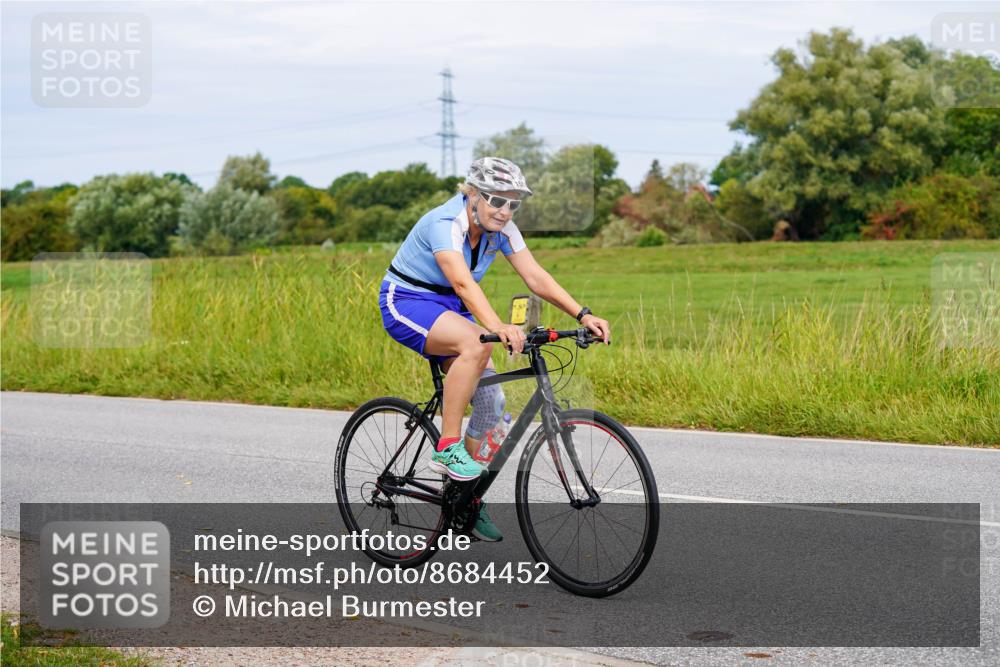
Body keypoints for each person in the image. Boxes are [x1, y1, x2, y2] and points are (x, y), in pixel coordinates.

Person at [378, 157, 611, 541]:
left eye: (513, 204)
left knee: (492, 404)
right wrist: (497, 327)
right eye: (496, 201)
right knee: (476, 343)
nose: (505, 211)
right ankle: (448, 447)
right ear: (472, 195)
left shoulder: (503, 229)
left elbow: (535, 275)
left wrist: (583, 313)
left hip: (448, 308)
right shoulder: (445, 224)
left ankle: (464, 498)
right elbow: (464, 285)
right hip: (406, 301)